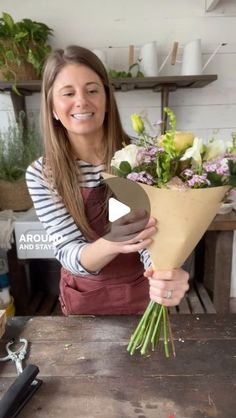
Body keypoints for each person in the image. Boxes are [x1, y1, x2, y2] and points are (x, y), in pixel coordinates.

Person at [26, 45, 189, 315]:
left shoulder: (141, 158)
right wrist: (114, 242)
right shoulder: (43, 173)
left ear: (106, 98)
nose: (81, 101)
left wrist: (165, 272)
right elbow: (67, 252)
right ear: (52, 106)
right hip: (85, 300)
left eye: (92, 90)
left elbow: (154, 236)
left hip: (143, 292)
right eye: (68, 93)